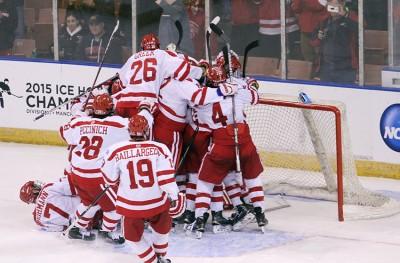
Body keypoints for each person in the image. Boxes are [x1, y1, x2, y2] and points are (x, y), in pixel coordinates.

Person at [190, 64, 267, 237]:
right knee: (252, 176)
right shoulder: (237, 91)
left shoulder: (203, 101)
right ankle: (260, 214)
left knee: (205, 180)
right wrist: (245, 85)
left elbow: (200, 122)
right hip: (244, 139)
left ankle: (200, 217)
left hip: (222, 142)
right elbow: (255, 98)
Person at [101, 115, 185, 263]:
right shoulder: (160, 148)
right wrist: (174, 195)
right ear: (147, 131)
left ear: (129, 131)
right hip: (157, 203)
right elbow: (165, 178)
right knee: (162, 231)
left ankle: (152, 261)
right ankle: (162, 258)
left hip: (131, 205)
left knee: (132, 238)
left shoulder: (115, 150)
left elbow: (110, 179)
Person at [60, 92, 129, 243]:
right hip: (98, 176)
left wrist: (80, 115)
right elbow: (137, 130)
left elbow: (63, 131)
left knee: (89, 203)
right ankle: (107, 231)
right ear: (111, 109)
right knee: (117, 205)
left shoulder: (80, 123)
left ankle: (76, 228)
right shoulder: (117, 124)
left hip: (77, 174)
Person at [113, 33, 204, 120]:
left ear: (142, 47)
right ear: (158, 45)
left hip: (124, 102)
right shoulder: (162, 55)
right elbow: (183, 69)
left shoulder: (133, 58)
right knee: (144, 133)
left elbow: (121, 83)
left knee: (127, 133)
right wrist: (200, 72)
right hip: (145, 103)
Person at [310, 0, 358, 83]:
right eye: (331, 5)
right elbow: (313, 42)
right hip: (326, 67)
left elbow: (360, 29)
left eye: (335, 5)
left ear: (342, 5)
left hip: (346, 67)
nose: (333, 8)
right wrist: (319, 38)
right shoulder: (323, 21)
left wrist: (345, 15)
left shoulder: (351, 17)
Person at [291, 0, 329, 75]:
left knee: (321, 58)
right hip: (305, 29)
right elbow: (295, 8)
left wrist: (304, 2)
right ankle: (310, 77)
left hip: (319, 30)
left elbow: (318, 6)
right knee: (307, 57)